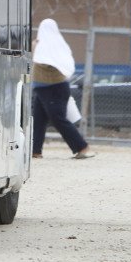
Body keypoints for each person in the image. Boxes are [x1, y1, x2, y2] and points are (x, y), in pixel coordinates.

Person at [31, 19, 94, 159]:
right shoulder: (40, 45)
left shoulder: (54, 46)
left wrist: (37, 49)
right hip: (41, 89)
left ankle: (82, 147)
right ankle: (35, 151)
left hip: (54, 88)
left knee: (58, 119)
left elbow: (48, 62)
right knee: (38, 121)